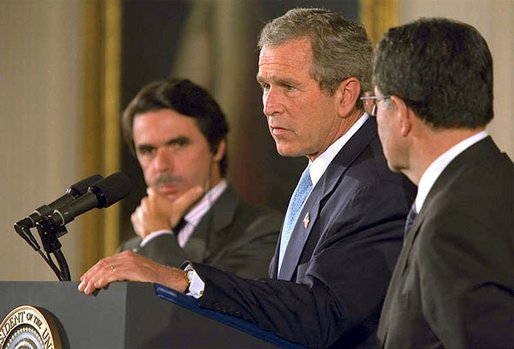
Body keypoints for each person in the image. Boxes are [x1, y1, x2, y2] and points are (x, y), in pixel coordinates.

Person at [79, 8, 415, 348]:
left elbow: (320, 313)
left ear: (345, 95)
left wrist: (182, 279)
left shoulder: (375, 182)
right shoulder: (331, 173)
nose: (269, 105)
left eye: (287, 86)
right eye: (265, 86)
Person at [371, 18, 514, 348]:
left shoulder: (452, 224)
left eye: (376, 103)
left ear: (403, 116)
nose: (375, 117)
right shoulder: (496, 180)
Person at [117, 78, 283, 279]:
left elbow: (215, 308)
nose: (161, 165)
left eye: (177, 144)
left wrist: (158, 236)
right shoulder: (132, 248)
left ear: (217, 148)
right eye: (148, 150)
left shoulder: (264, 232)